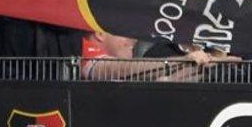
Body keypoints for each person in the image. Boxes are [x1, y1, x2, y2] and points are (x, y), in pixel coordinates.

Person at [81, 32, 224, 81]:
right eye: (125, 33)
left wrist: (212, 65)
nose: (134, 40)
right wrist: (184, 61)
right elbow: (119, 69)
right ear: (100, 34)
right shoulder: (81, 49)